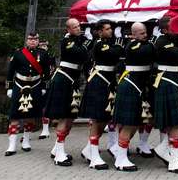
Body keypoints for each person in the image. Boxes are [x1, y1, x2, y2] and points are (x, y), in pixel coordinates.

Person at [44, 18, 93, 166]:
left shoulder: (79, 39)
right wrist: (87, 42)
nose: (79, 28)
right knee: (64, 117)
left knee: (71, 117)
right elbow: (80, 53)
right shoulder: (67, 41)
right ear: (69, 29)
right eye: (75, 27)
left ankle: (56, 149)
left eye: (79, 26)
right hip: (64, 80)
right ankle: (59, 155)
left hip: (73, 81)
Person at [79, 19, 125, 170]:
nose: (110, 30)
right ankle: (94, 156)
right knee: (97, 118)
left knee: (105, 118)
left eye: (111, 28)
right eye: (107, 28)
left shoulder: (107, 42)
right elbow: (115, 54)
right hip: (99, 82)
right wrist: (119, 41)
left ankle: (88, 149)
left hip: (108, 82)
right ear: (99, 31)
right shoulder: (99, 44)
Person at [111, 22, 155, 171]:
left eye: (146, 32)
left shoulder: (144, 43)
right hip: (130, 86)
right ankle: (121, 159)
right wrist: (155, 40)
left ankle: (120, 151)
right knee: (128, 123)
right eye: (142, 33)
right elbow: (147, 51)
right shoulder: (133, 45)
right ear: (133, 34)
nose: (145, 35)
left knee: (135, 123)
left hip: (139, 86)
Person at [151, 17, 178, 174]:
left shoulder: (174, 39)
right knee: (176, 122)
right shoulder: (162, 41)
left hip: (174, 82)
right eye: (173, 26)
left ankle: (163, 148)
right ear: (164, 30)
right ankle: (174, 161)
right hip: (167, 81)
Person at [4, 32, 52, 156]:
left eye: (35, 39)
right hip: (19, 85)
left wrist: (44, 87)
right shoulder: (18, 53)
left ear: (38, 41)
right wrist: (9, 87)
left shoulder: (43, 54)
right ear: (27, 41)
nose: (33, 41)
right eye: (31, 39)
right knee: (15, 115)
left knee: (31, 114)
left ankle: (26, 140)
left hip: (35, 86)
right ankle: (12, 145)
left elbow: (46, 72)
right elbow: (10, 71)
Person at [38, 39, 55, 140]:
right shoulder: (34, 56)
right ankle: (27, 132)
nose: (43, 47)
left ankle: (45, 129)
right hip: (34, 83)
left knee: (45, 106)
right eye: (41, 46)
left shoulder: (50, 57)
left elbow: (51, 70)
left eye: (45, 46)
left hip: (46, 83)